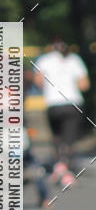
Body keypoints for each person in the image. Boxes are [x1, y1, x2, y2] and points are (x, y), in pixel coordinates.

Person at [34, 39, 90, 184]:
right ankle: (65, 169)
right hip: (72, 102)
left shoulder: (44, 60)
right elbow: (84, 85)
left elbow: (38, 81)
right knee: (69, 138)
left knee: (57, 137)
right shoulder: (74, 60)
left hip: (53, 103)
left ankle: (59, 165)